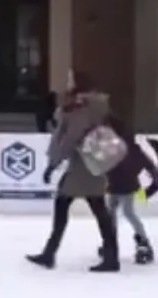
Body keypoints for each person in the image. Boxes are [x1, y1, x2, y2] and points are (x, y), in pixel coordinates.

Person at [29, 71, 121, 272]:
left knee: (69, 207)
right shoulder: (90, 108)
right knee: (98, 211)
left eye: (70, 82)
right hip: (89, 167)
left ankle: (50, 254)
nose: (66, 86)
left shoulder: (79, 111)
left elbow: (70, 139)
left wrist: (53, 164)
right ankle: (110, 255)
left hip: (83, 169)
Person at [103, 117, 158, 265]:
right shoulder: (120, 147)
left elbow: (144, 163)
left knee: (127, 212)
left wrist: (153, 173)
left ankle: (143, 241)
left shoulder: (128, 149)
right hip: (115, 185)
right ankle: (111, 240)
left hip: (125, 186)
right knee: (112, 213)